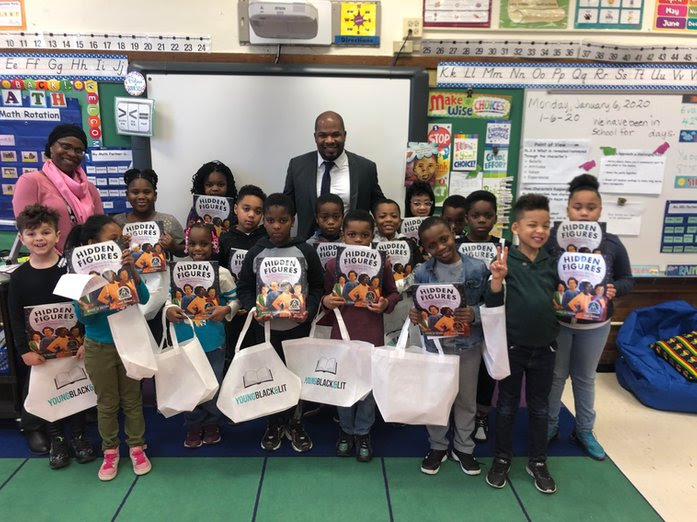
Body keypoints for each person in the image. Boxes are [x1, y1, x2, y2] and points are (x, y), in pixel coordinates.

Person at [547, 174, 634, 461]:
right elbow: (543, 273)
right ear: (568, 208)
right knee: (556, 377)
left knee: (584, 378)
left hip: (595, 325)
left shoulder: (610, 243)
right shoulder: (554, 239)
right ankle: (549, 426)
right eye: (577, 206)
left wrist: (614, 288)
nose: (584, 212)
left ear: (600, 210)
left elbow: (627, 280)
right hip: (559, 323)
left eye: (591, 207)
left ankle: (584, 430)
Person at [7, 204, 96, 468]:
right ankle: (56, 438)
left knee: (76, 390)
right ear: (22, 239)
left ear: (58, 235)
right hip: (40, 354)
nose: (39, 239)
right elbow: (14, 317)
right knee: (50, 394)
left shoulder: (69, 269)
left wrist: (87, 339)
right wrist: (24, 350)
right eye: (32, 234)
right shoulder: (20, 277)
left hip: (75, 347)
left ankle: (79, 435)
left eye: (46, 232)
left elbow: (87, 306)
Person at [64, 214, 151, 481]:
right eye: (112, 240)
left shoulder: (124, 268)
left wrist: (132, 271)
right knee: (107, 403)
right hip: (98, 347)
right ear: (93, 244)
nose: (117, 245)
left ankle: (137, 447)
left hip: (129, 343)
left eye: (119, 240)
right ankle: (110, 451)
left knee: (132, 400)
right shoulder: (78, 275)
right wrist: (88, 287)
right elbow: (83, 317)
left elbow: (144, 299)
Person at [237, 193, 324, 452]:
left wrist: (308, 309)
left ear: (292, 221)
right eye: (271, 220)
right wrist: (254, 307)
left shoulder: (306, 250)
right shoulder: (256, 251)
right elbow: (243, 287)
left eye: (283, 220)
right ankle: (273, 423)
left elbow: (318, 285)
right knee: (270, 377)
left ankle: (296, 423)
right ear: (264, 220)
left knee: (297, 376)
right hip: (264, 330)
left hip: (298, 328)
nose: (277, 226)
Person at [409, 217, 495, 478]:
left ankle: (464, 447)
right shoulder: (423, 272)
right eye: (432, 245)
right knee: (436, 399)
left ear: (454, 232)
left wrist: (475, 314)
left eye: (444, 239)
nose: (441, 247)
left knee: (466, 399)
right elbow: (421, 306)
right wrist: (416, 315)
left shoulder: (478, 268)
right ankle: (437, 446)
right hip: (436, 348)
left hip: (468, 347)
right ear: (425, 248)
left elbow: (494, 305)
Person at [485, 194, 559, 495]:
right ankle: (502, 457)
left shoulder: (552, 263)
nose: (539, 230)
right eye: (532, 224)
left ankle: (538, 461)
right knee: (506, 406)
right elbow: (491, 303)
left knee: (540, 408)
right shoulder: (506, 261)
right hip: (513, 347)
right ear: (516, 227)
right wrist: (497, 279)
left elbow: (563, 300)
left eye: (545, 225)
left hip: (546, 348)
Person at [321, 210, 399, 462]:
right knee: (342, 384)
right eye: (351, 234)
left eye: (364, 235)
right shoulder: (333, 265)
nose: (357, 240)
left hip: (371, 336)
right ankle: (345, 430)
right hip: (341, 335)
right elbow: (321, 297)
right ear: (343, 235)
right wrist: (327, 300)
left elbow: (394, 294)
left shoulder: (382, 263)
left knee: (367, 386)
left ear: (372, 237)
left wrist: (386, 302)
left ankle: (363, 431)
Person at [165, 222, 240, 448]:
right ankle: (193, 423)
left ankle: (212, 422)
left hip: (213, 341)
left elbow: (235, 300)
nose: (198, 249)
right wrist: (169, 309)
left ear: (213, 245)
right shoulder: (177, 271)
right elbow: (169, 298)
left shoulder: (223, 274)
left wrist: (226, 310)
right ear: (187, 245)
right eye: (193, 243)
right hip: (185, 341)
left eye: (204, 244)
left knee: (213, 383)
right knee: (190, 384)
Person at [284, 111, 384, 240]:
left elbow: (380, 207)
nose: (330, 140)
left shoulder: (365, 168)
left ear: (345, 135)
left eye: (336, 134)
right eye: (323, 135)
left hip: (353, 248)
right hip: (308, 249)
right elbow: (286, 209)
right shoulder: (297, 166)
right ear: (315, 137)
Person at [12, 124, 103, 253]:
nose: (72, 154)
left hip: (88, 260)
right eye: (65, 147)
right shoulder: (31, 182)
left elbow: (100, 228)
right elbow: (28, 228)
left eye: (79, 150)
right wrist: (60, 262)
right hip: (49, 262)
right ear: (51, 147)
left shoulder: (89, 188)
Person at [459, 190, 502, 444]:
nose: (482, 220)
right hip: (461, 318)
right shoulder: (454, 245)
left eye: (488, 215)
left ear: (495, 218)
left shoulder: (502, 247)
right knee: (461, 371)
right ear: (467, 218)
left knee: (487, 370)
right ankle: (458, 414)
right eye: (476, 215)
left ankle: (482, 414)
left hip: (493, 317)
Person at [186, 160, 238, 227]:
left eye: (221, 184)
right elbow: (188, 233)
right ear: (202, 186)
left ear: (228, 185)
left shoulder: (235, 210)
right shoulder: (195, 210)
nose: (215, 189)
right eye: (209, 185)